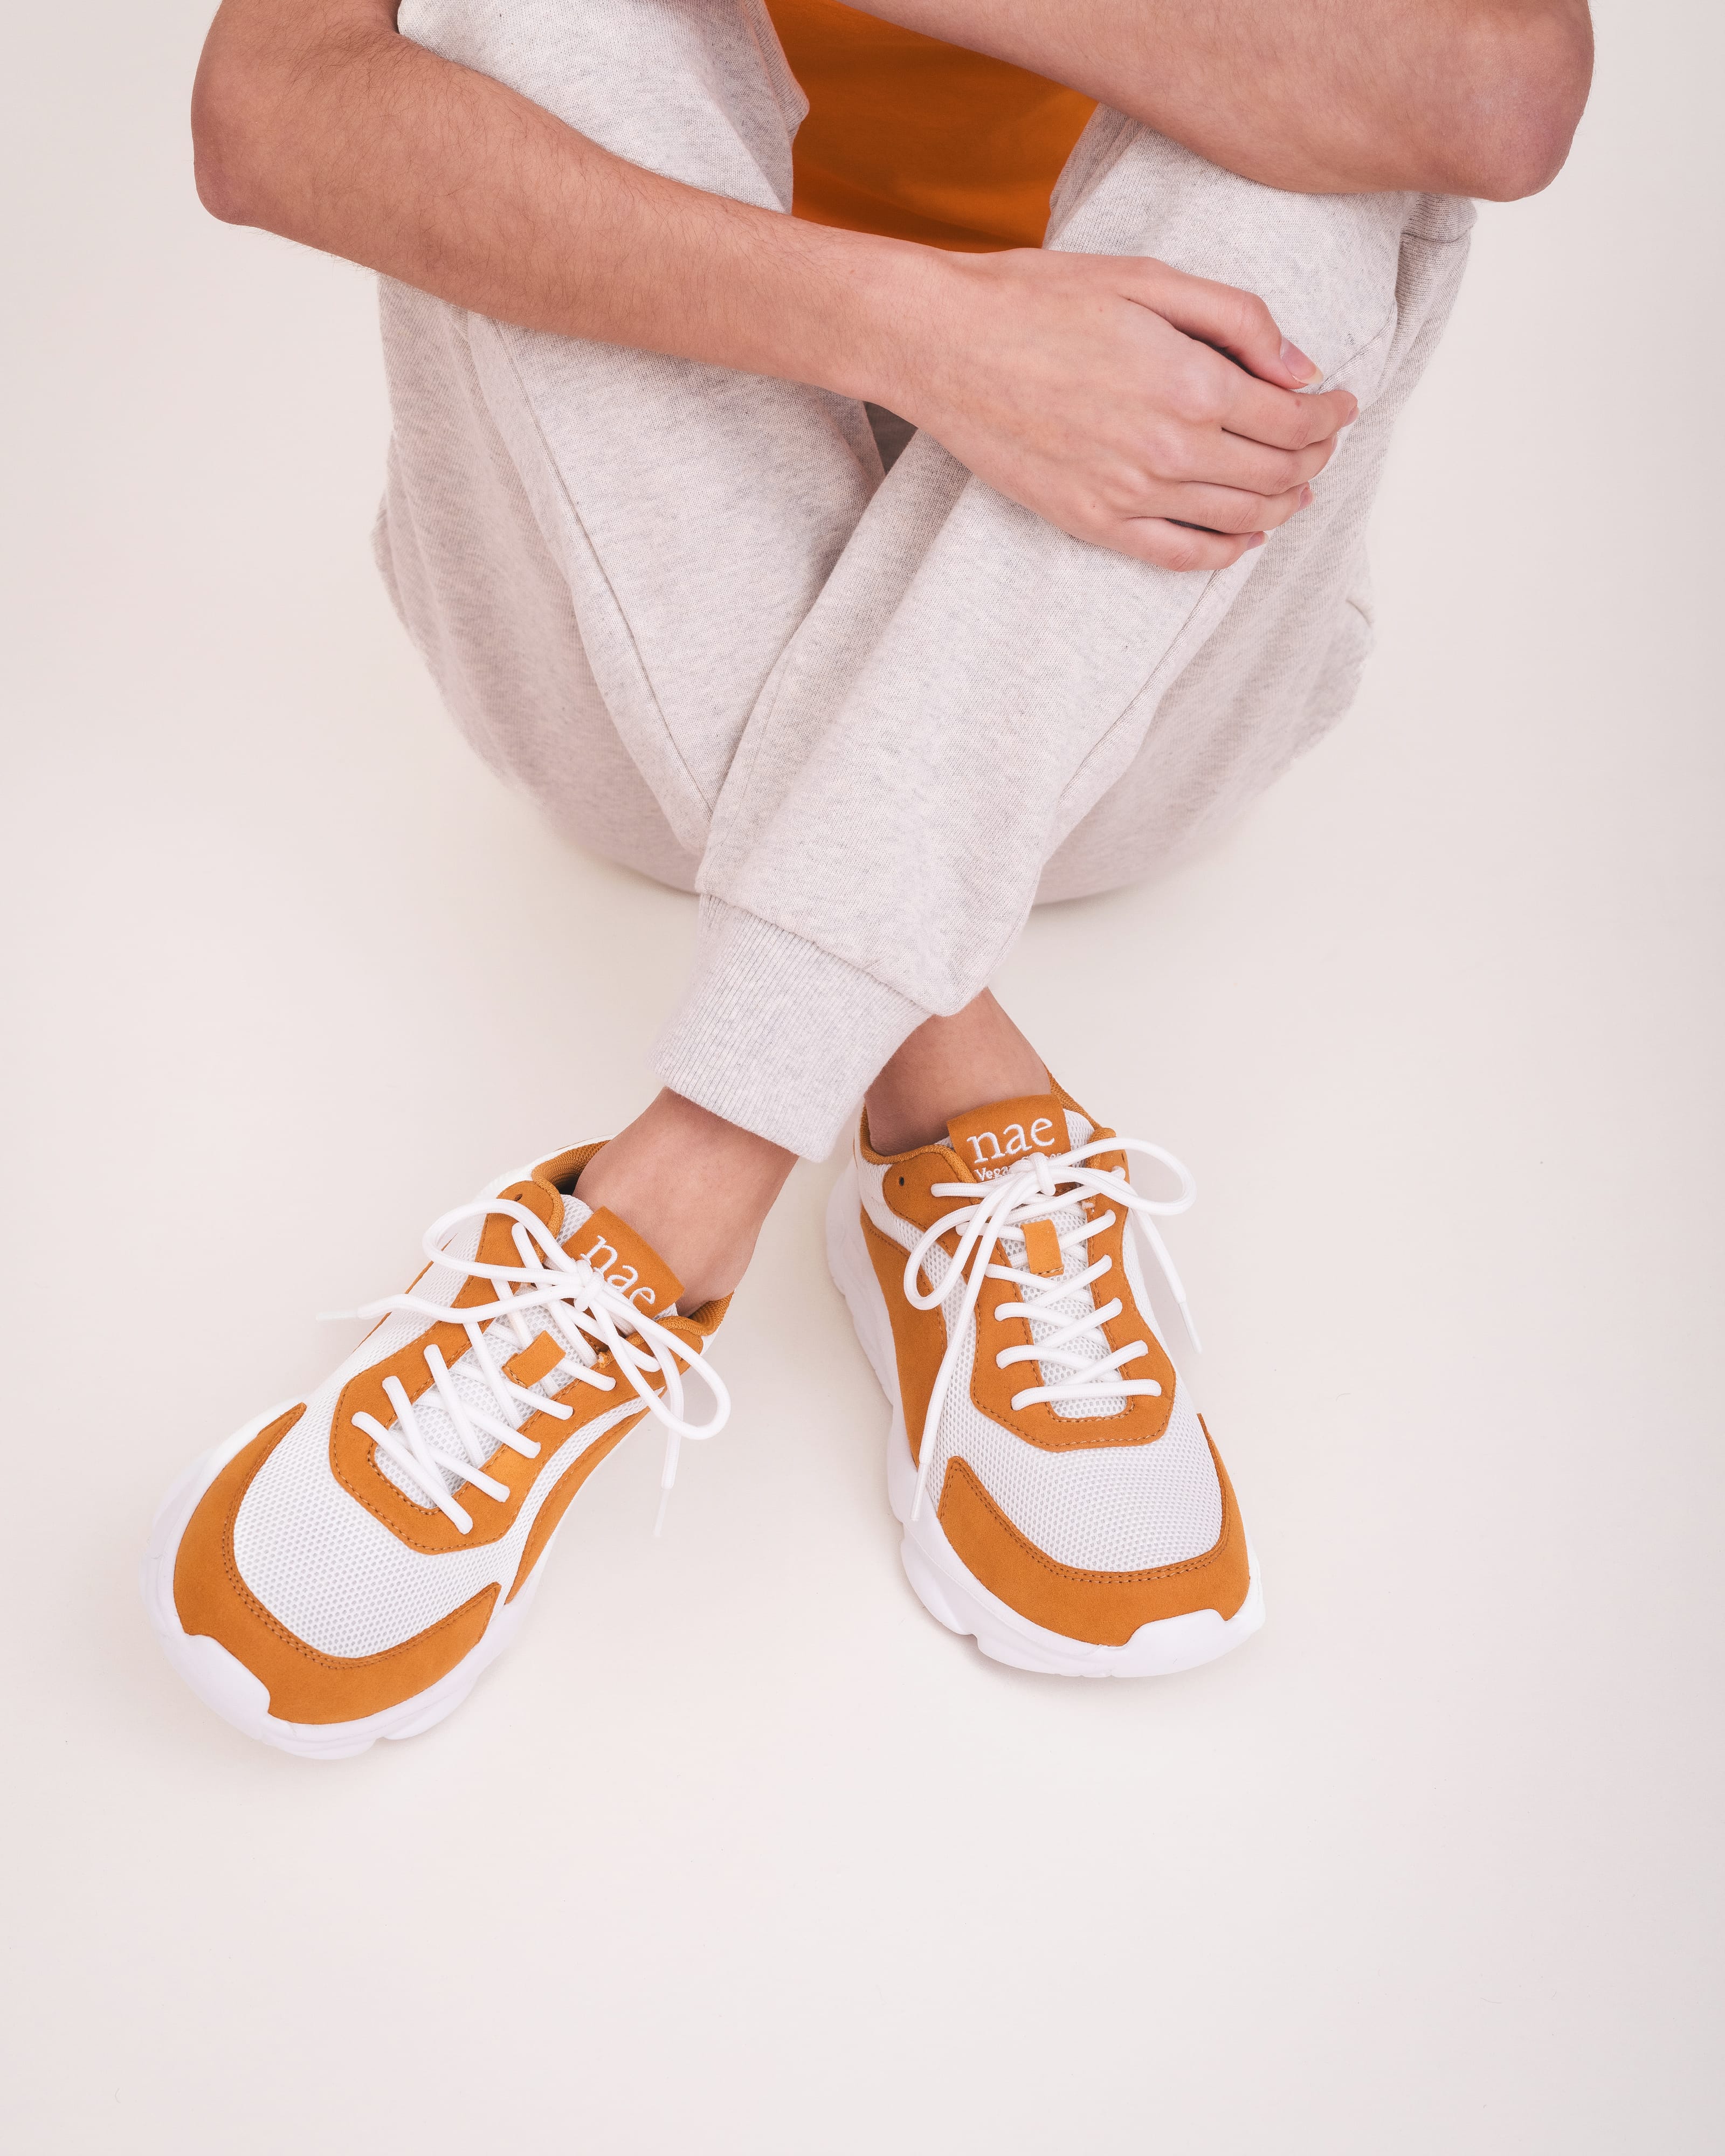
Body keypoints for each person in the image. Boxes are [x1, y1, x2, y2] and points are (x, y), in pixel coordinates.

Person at [143, 0, 1592, 1751]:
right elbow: (267, 112)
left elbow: (1507, 97)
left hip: (1123, 687)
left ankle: (681, 1185)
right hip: (628, 671)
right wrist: (935, 337)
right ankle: (945, 1084)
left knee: (1347, 111)